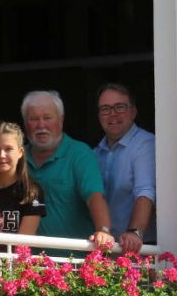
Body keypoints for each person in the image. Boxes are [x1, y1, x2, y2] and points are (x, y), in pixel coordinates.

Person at [22, 90, 114, 249]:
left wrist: (103, 230)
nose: (41, 125)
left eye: (47, 118)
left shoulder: (79, 153)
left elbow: (94, 197)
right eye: (34, 119)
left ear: (61, 120)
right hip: (29, 263)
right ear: (25, 123)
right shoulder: (17, 157)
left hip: (73, 262)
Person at [93, 83, 156, 253]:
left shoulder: (145, 144)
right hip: (105, 248)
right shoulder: (95, 153)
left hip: (138, 249)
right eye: (105, 109)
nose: (112, 114)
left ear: (133, 112)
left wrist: (135, 233)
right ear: (99, 115)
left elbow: (145, 191)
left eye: (119, 107)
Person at [0, 122, 45, 235]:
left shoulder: (32, 191)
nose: (1, 155)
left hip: (14, 253)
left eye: (8, 149)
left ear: (20, 152)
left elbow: (23, 243)